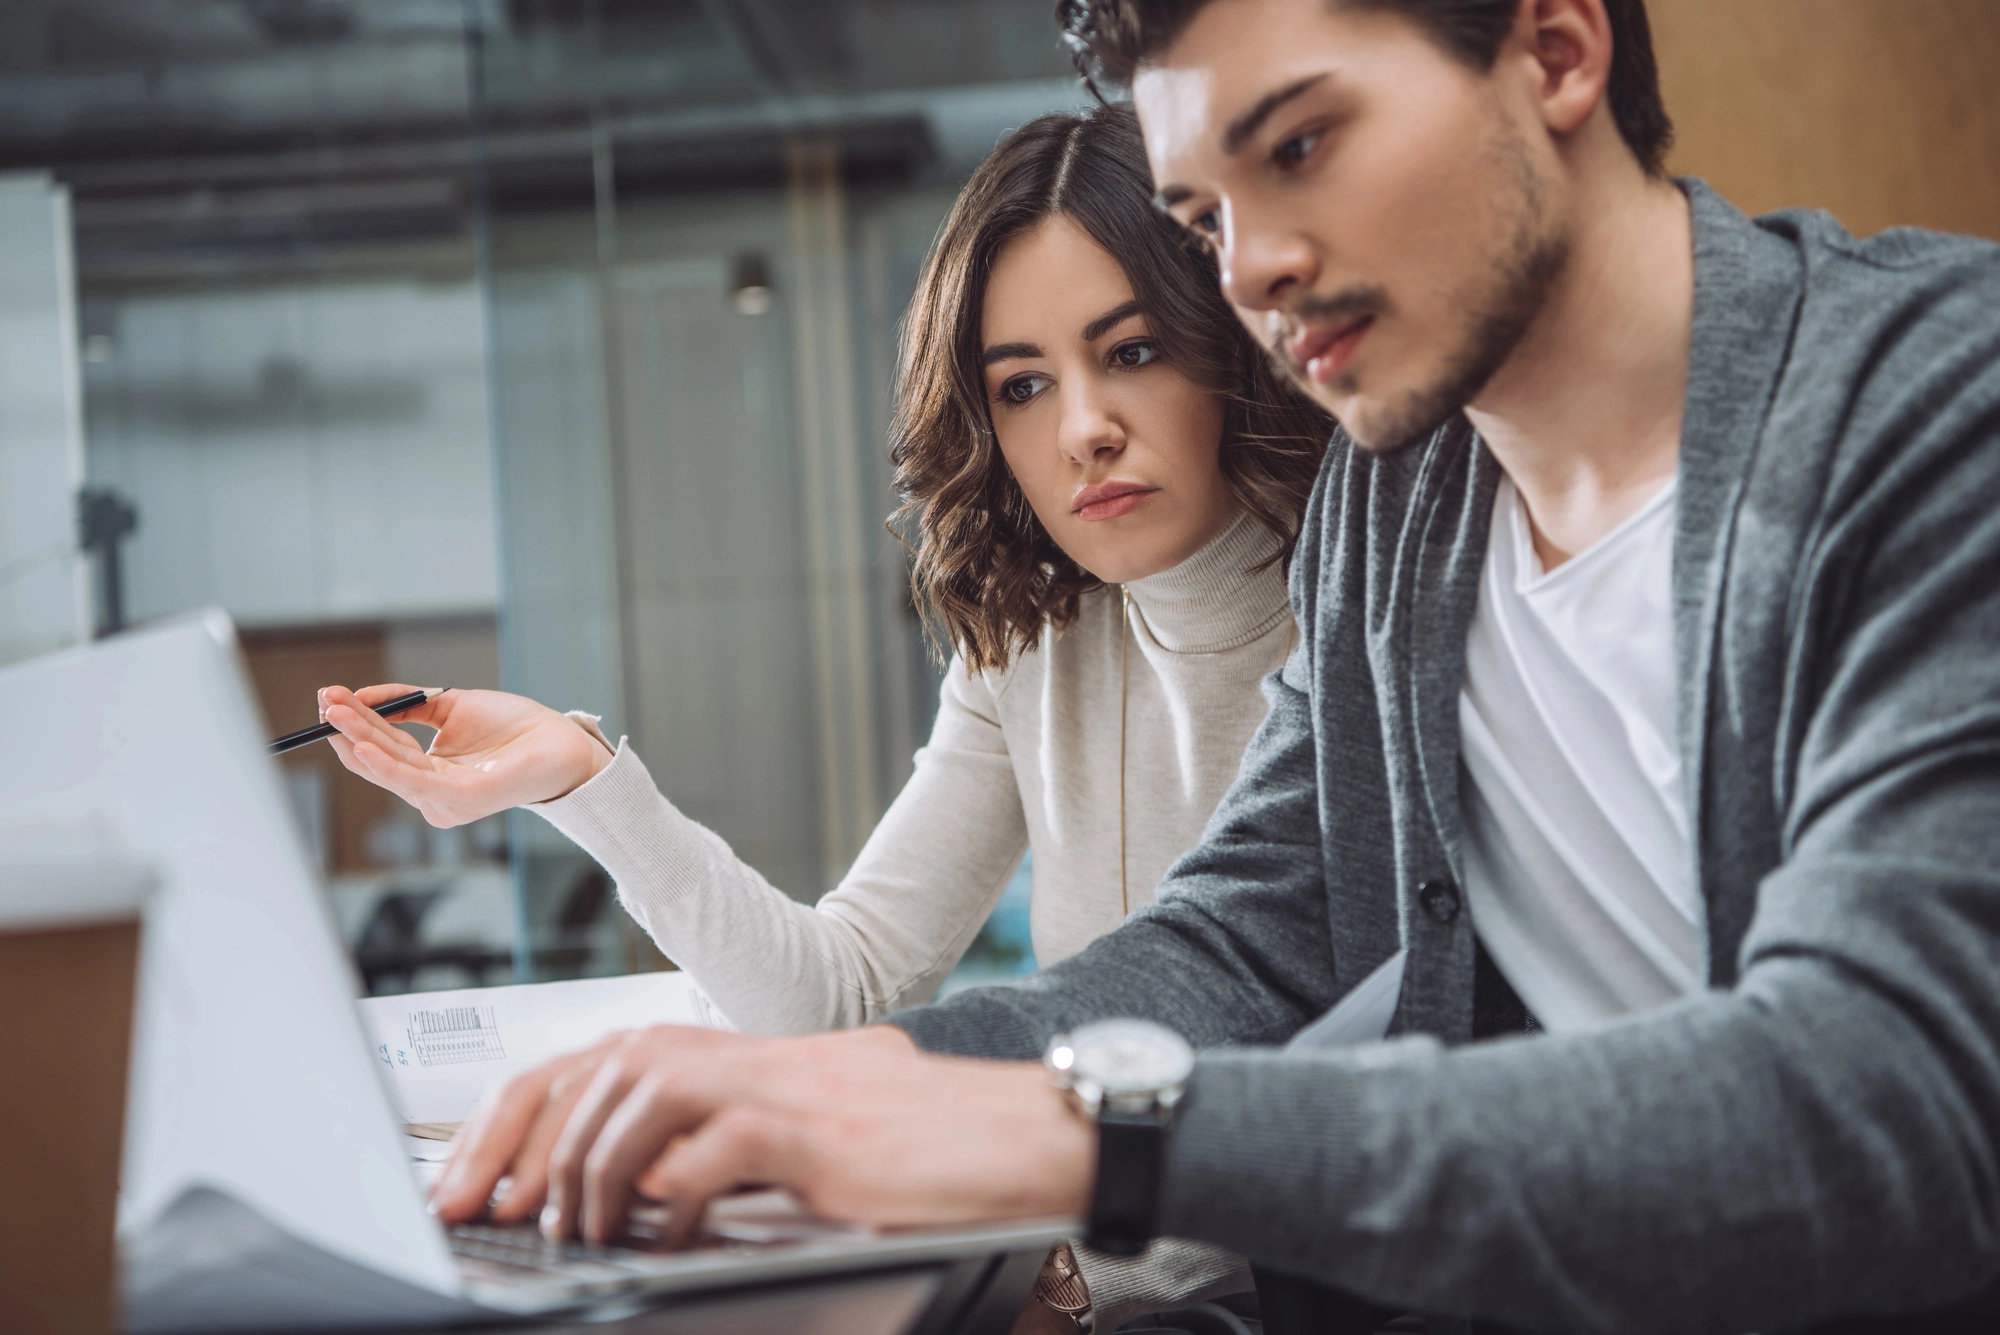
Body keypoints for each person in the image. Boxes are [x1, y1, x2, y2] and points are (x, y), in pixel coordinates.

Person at [420, 0, 2000, 1331]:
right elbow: (1244, 937)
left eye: (1299, 145)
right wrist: (821, 1085)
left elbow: (1882, 1093)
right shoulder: (1401, 506)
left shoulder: (1932, 411)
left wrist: (1073, 1133)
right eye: (1204, 215)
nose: (1250, 269)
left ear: (1560, 50)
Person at [319, 103, 1327, 1330]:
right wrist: (584, 781)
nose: (1081, 431)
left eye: (1128, 352)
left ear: (1227, 342)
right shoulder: (1033, 645)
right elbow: (838, 1000)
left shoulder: (1364, 625)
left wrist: (1084, 1274)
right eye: (1021, 384)